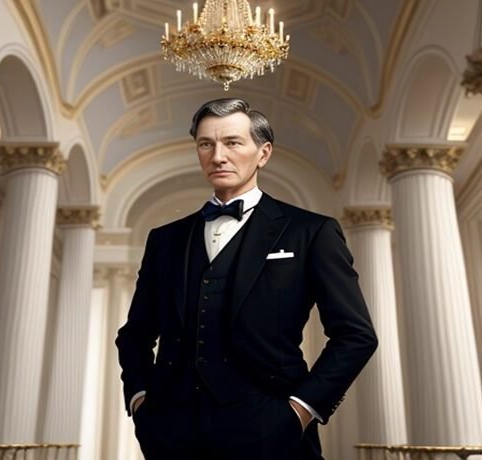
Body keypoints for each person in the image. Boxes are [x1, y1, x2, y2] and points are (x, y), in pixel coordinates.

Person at [115, 98, 378, 459]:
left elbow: (356, 335)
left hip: (272, 431)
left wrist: (300, 412)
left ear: (263, 153)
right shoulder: (165, 239)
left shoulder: (310, 232)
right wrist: (141, 402)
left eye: (233, 143)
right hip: (171, 435)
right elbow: (135, 334)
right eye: (206, 144)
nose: (218, 156)